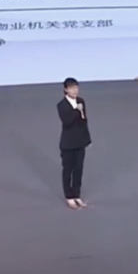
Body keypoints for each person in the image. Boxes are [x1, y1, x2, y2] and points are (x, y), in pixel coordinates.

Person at [57, 77, 91, 209]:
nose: (75, 90)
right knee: (68, 170)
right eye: (71, 88)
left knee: (79, 169)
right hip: (68, 144)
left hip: (80, 142)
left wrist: (87, 139)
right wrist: (76, 110)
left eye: (76, 87)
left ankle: (77, 195)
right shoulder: (61, 105)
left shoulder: (81, 101)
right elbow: (67, 122)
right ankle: (69, 197)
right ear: (66, 90)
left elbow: (84, 121)